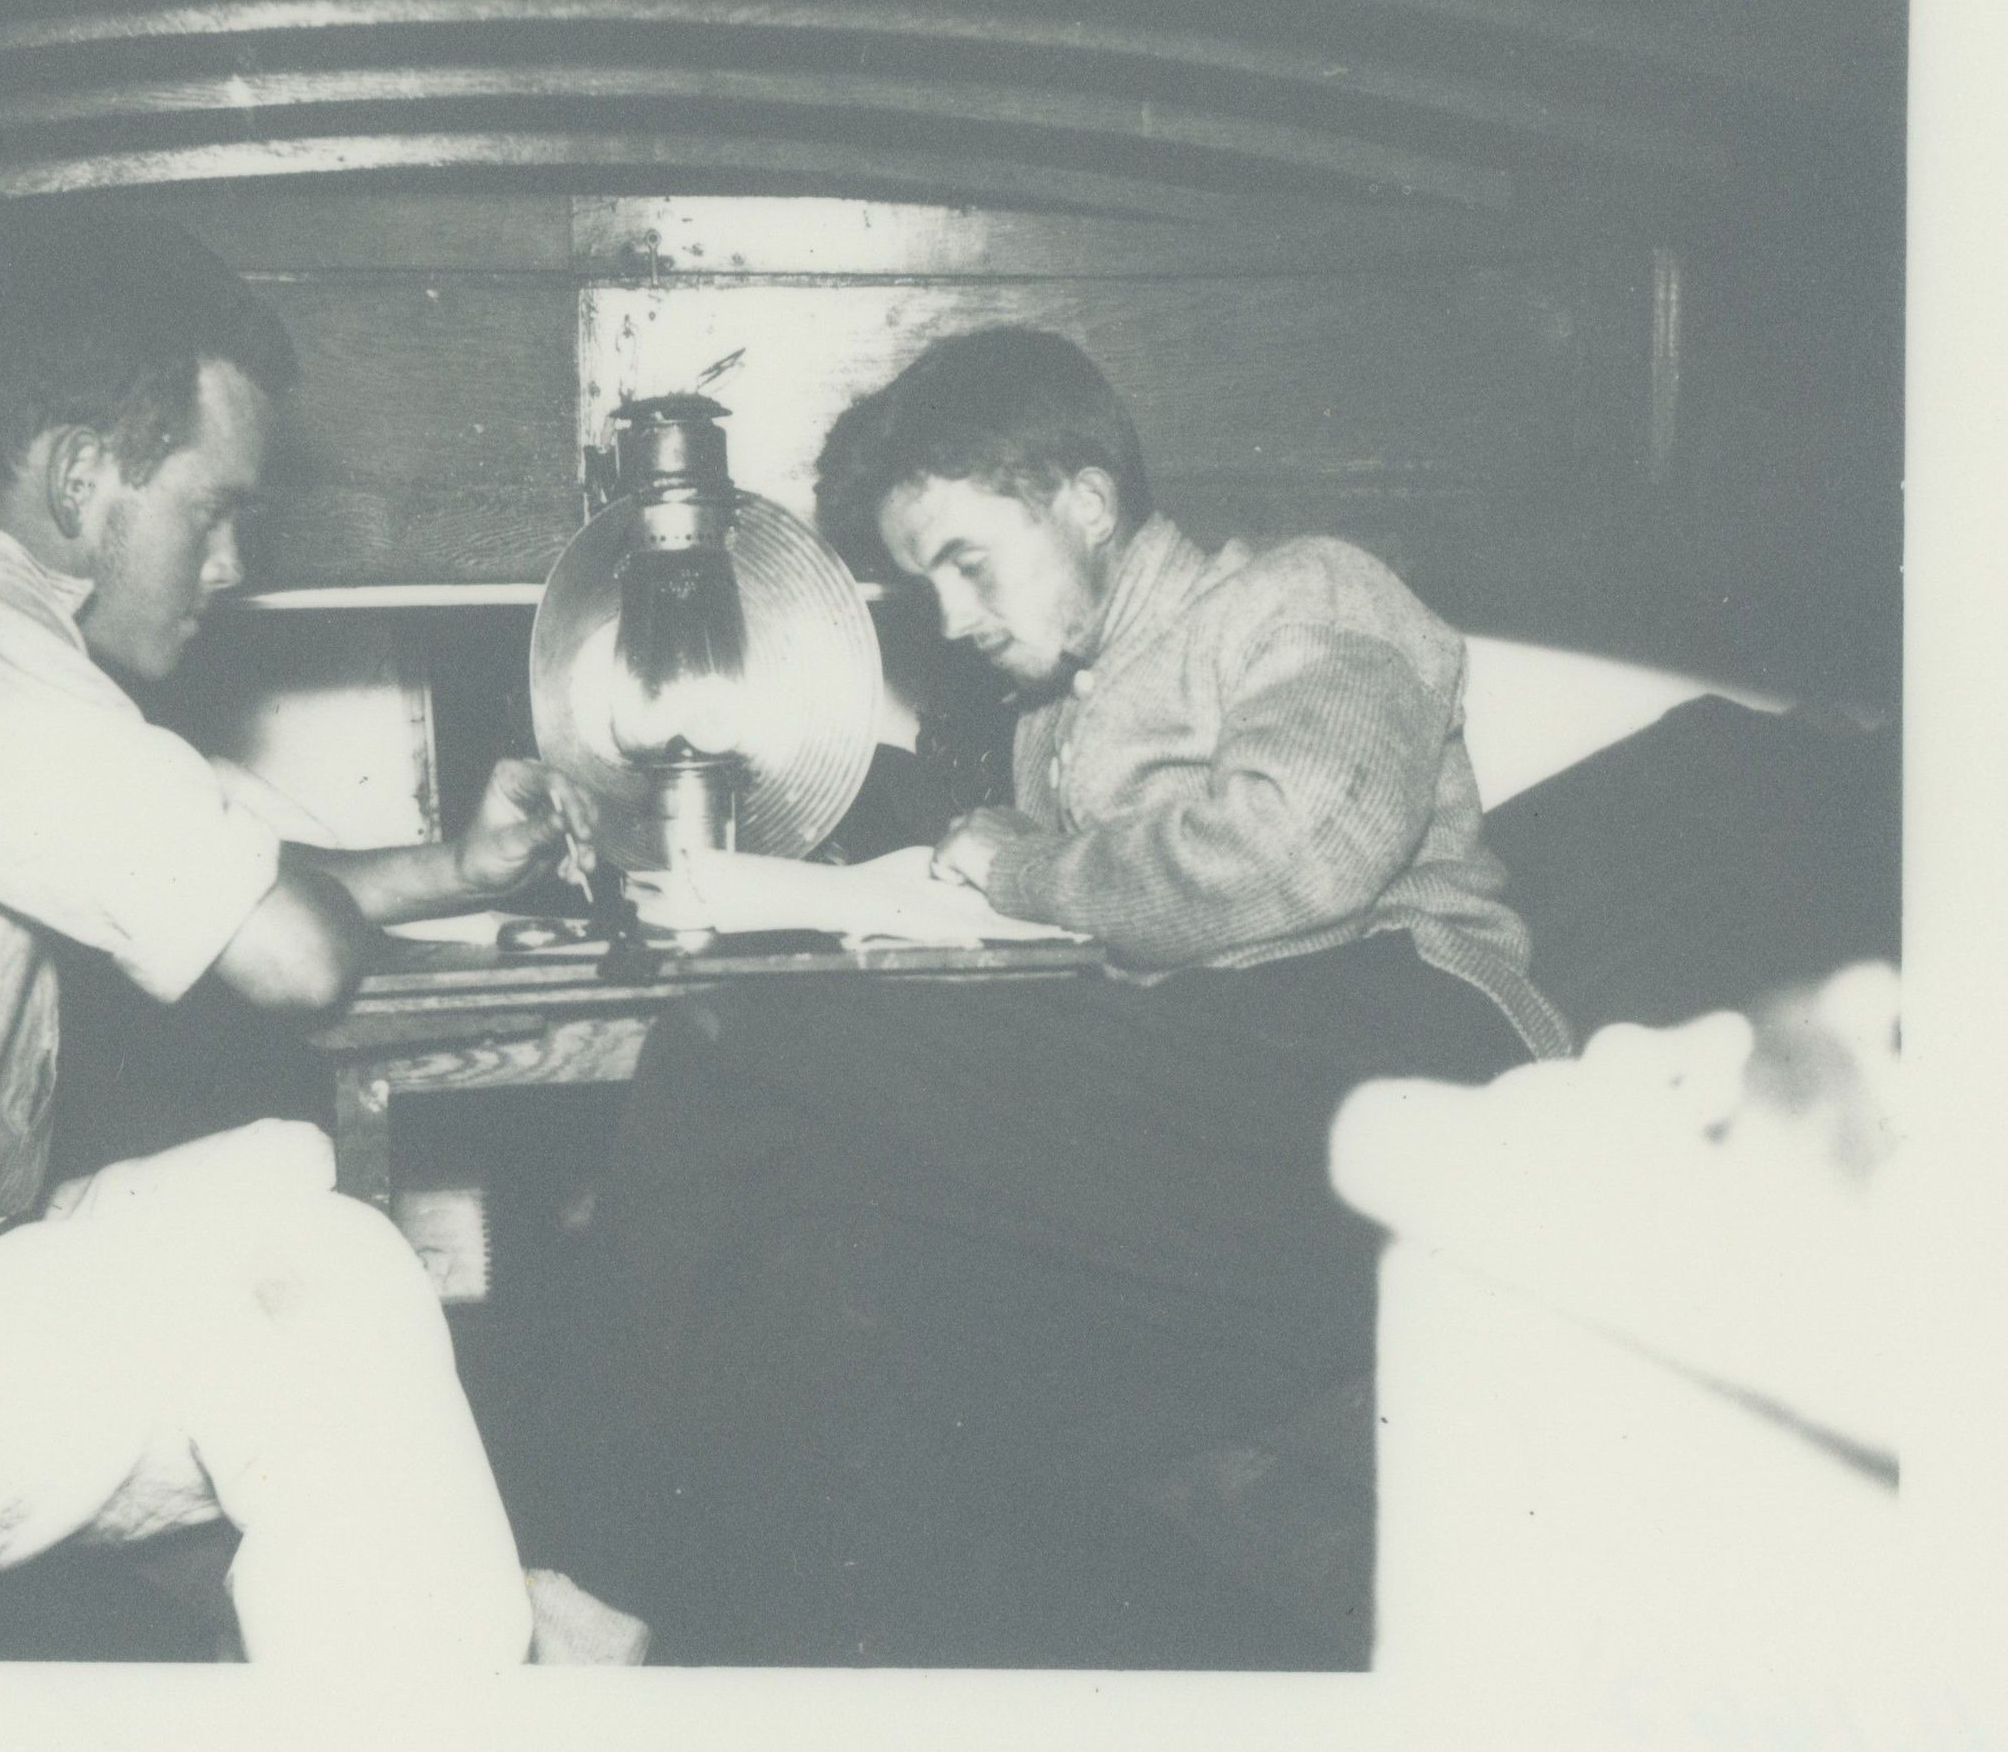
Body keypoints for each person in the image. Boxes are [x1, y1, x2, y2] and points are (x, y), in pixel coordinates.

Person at [535, 326, 1570, 1668]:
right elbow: (1079, 928)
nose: (952, 615)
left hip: (1397, 1050)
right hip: (1210, 1121)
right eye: (926, 581)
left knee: (746, 1025)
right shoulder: (1048, 724)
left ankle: (590, 1572)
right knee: (827, 1260)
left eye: (967, 560)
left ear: (1085, 499)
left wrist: (1018, 868)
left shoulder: (1309, 593)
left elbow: (1296, 853)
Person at [0, 211, 641, 1667]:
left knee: (286, 1180)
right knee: (323, 1292)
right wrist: (323, 896)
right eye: (212, 513)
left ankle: (495, 1638)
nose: (230, 566)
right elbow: (290, 950)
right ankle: (498, 1668)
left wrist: (455, 868)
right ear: (82, 479)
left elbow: (248, 878)